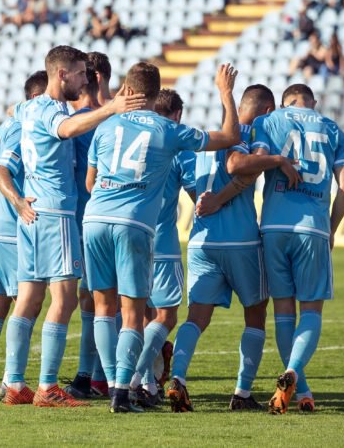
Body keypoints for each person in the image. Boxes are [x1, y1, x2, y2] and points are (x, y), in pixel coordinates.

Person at [0, 45, 147, 407]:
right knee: (63, 300)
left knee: (28, 298)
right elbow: (66, 129)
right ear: (62, 74)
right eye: (80, 73)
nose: (85, 78)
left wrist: (17, 201)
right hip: (57, 211)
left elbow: (18, 113)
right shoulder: (50, 110)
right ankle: (47, 387)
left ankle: (14, 382)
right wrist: (110, 108)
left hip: (30, 211)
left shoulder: (28, 107)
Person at [84, 62, 241, 413]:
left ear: (127, 89)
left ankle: (111, 384)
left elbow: (90, 184)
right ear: (156, 93)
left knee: (103, 308)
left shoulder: (106, 125)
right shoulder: (168, 129)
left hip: (93, 218)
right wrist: (225, 92)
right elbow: (231, 136)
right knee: (133, 313)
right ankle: (123, 392)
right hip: (135, 224)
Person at [168, 85, 301, 413]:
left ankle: (178, 380)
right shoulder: (248, 132)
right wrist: (278, 160)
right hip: (240, 239)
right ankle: (242, 393)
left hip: (201, 241)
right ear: (268, 112)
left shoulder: (207, 139)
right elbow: (238, 165)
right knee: (256, 313)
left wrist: (207, 202)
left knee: (196, 317)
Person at [250, 84, 344, 414]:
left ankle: (302, 390)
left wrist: (279, 161)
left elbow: (255, 161)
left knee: (283, 311)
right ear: (314, 102)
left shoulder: (270, 121)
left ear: (283, 102)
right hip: (313, 227)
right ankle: (293, 374)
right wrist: (332, 229)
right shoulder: (332, 129)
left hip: (274, 227)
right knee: (311, 311)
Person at [0, 70, 48, 401]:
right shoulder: (22, 129)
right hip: (7, 227)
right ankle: (12, 381)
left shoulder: (6, 125)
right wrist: (19, 203)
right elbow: (2, 170)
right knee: (28, 301)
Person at [128, 89, 196, 408]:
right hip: (163, 242)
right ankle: (135, 378)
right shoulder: (178, 145)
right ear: (178, 115)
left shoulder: (133, 137)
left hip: (129, 237)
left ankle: (148, 385)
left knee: (142, 314)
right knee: (166, 316)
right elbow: (200, 196)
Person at [63, 60, 110, 400]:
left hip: (85, 218)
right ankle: (96, 375)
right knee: (100, 299)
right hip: (105, 218)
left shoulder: (81, 121)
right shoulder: (112, 118)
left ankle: (97, 376)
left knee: (97, 301)